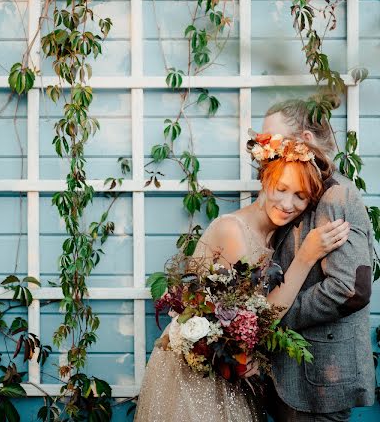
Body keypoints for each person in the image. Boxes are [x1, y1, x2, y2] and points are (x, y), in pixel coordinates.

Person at [134, 135, 350, 422]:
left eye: (300, 196)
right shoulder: (233, 231)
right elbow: (259, 318)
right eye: (281, 189)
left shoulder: (277, 236)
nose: (287, 204)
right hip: (195, 371)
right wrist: (306, 257)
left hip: (227, 364)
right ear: (265, 180)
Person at [262, 99, 375, 422]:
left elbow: (350, 288)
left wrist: (275, 316)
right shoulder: (298, 194)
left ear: (305, 142)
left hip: (319, 381)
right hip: (293, 376)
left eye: (273, 140)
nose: (264, 148)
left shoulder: (336, 196)